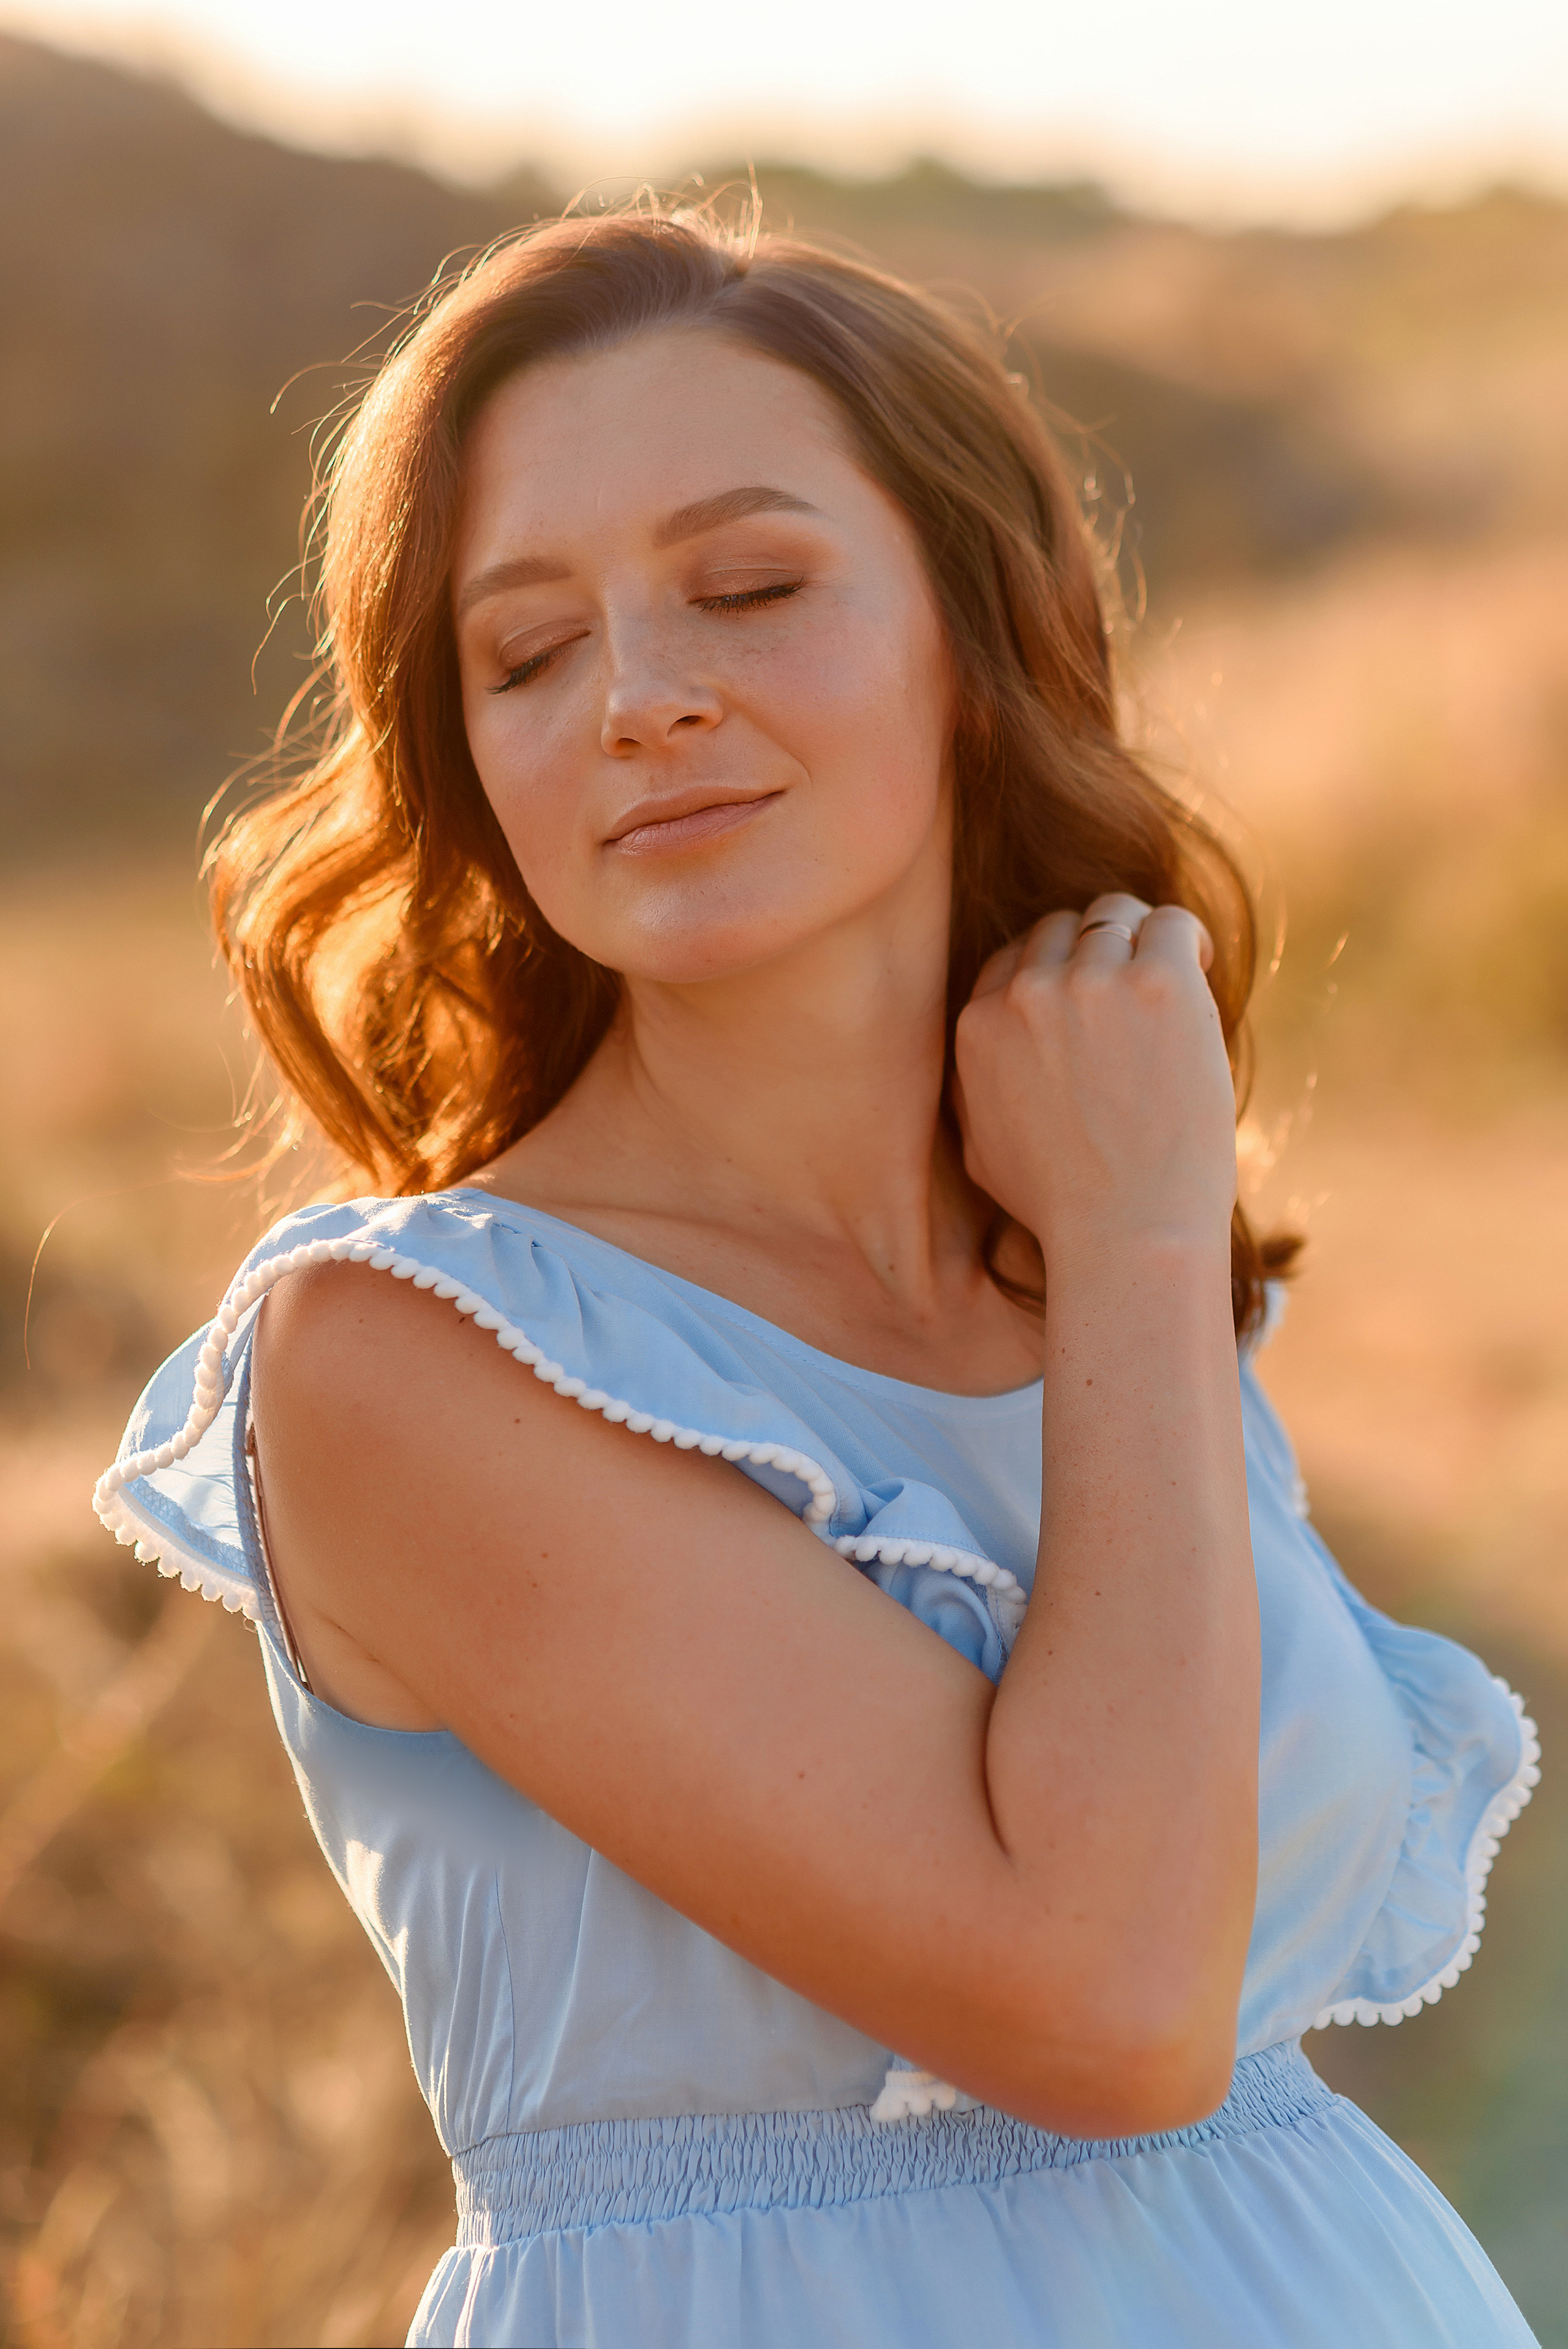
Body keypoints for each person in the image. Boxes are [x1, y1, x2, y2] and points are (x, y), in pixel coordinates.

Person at [96, 206, 1542, 2348]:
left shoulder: (1088, 1258)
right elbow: (1114, 2002)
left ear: (978, 628)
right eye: (526, 651)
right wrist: (1148, 1239)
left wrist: (1126, 1245)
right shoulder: (405, 1350)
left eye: (749, 587)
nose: (644, 698)